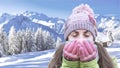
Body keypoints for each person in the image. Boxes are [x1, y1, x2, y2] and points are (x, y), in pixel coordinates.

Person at [48, 4, 117, 68]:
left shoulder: (110, 63)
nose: (81, 39)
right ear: (67, 39)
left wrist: (90, 64)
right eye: (74, 35)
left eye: (87, 35)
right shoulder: (55, 63)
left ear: (93, 38)